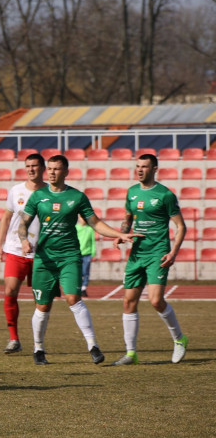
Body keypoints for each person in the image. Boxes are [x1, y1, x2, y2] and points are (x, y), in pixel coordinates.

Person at [17, 155, 139, 365]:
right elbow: (23, 223)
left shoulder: (77, 197)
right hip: (45, 260)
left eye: (57, 169)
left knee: (73, 298)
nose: (52, 173)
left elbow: (95, 223)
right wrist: (23, 240)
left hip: (69, 256)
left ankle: (93, 346)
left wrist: (118, 234)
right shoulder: (38, 196)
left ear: (66, 171)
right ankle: (38, 349)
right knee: (43, 306)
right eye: (50, 169)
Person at [113, 153, 189, 365]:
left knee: (155, 300)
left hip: (158, 252)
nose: (139, 170)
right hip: (137, 253)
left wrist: (173, 252)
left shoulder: (165, 195)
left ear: (154, 169)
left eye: (144, 167)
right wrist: (123, 234)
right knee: (128, 301)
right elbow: (128, 218)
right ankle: (131, 353)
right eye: (137, 166)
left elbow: (181, 226)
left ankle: (179, 339)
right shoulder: (132, 192)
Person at [0, 153, 45, 354]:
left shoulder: (50, 192)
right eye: (28, 166)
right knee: (10, 291)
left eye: (35, 166)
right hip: (15, 249)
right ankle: (14, 339)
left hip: (41, 253)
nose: (31, 169)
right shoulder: (16, 191)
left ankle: (38, 343)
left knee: (40, 300)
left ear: (42, 168)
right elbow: (6, 219)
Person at [76, 218, 96, 297]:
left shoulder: (90, 229)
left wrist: (93, 252)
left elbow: (92, 242)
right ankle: (78, 287)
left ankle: (84, 288)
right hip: (78, 253)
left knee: (86, 272)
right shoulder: (76, 228)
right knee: (78, 272)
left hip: (87, 253)